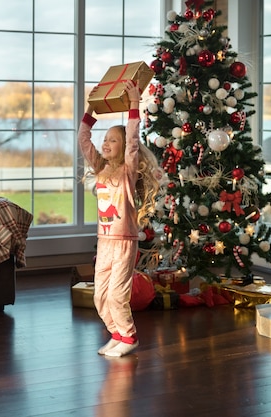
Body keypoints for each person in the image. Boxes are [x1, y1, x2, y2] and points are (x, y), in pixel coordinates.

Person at [78, 80, 161, 357]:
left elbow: (134, 142)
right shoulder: (101, 169)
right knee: (100, 296)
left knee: (117, 294)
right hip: (104, 242)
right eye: (106, 139)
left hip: (124, 241)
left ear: (123, 146)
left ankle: (130, 337)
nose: (106, 143)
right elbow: (83, 139)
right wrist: (91, 110)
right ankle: (117, 334)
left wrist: (134, 106)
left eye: (113, 139)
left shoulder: (128, 171)